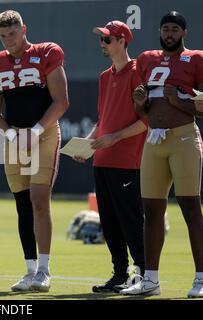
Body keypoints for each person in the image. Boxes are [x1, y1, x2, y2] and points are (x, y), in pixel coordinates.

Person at [121, 11, 203, 298]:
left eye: (174, 29)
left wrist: (181, 100)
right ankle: (151, 280)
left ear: (183, 32)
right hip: (154, 139)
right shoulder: (147, 59)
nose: (169, 33)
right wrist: (139, 104)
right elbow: (145, 112)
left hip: (184, 137)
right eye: (165, 29)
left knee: (190, 207)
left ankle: (200, 279)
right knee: (152, 211)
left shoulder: (199, 59)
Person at [0, 10, 69, 292]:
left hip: (43, 134)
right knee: (22, 204)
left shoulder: (47, 53)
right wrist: (10, 135)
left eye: (12, 33)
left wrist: (34, 133)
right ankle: (30, 269)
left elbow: (61, 102)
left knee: (39, 199)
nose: (8, 40)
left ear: (24, 30)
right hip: (14, 138)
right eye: (2, 35)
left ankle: (44, 270)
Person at [74, 21, 147, 293]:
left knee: (130, 219)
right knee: (109, 221)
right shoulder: (105, 76)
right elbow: (103, 118)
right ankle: (119, 274)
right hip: (102, 160)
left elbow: (145, 121)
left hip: (127, 160)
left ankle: (142, 275)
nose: (102, 44)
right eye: (101, 39)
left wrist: (114, 138)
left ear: (122, 41)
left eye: (107, 39)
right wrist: (88, 143)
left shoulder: (139, 71)